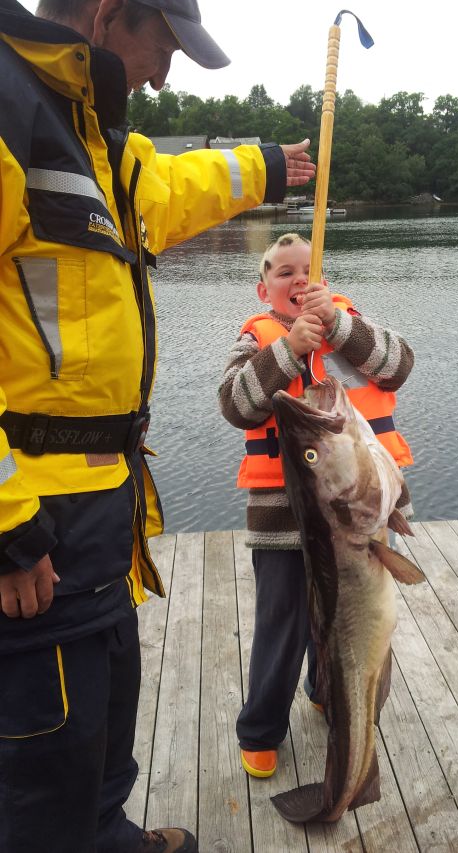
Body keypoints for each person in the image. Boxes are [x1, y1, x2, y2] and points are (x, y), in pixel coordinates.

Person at [0, 0, 315, 850]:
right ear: (108, 14)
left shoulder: (99, 140)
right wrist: (8, 531)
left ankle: (106, 832)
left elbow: (178, 186)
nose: (167, 72)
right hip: (36, 517)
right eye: (164, 44)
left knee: (103, 713)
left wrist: (272, 167)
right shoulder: (9, 109)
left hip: (106, 502)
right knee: (43, 759)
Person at [218, 233, 414, 778]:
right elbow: (235, 404)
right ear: (265, 290)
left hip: (361, 516)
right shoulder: (257, 339)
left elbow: (398, 367)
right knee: (283, 621)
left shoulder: (353, 326)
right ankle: (260, 729)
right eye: (284, 272)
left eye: (308, 268)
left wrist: (340, 328)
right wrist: (288, 351)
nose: (298, 278)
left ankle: (328, 689)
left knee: (350, 618)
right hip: (286, 518)